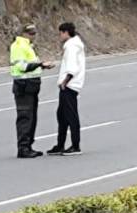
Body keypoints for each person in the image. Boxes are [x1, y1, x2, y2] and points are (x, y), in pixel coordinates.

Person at [10, 24, 54, 159]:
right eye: (31, 33)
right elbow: (22, 67)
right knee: (25, 117)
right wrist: (40, 64)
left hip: (31, 86)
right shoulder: (19, 46)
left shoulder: (28, 46)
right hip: (23, 86)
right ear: (24, 33)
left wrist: (42, 67)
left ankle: (28, 146)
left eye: (35, 33)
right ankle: (23, 148)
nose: (34, 36)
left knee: (32, 117)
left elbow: (31, 66)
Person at [50, 22, 86, 156]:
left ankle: (75, 146)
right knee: (62, 115)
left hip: (70, 85)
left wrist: (65, 82)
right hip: (71, 84)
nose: (59, 36)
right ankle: (60, 144)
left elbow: (72, 67)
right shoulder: (75, 44)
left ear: (65, 32)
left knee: (71, 116)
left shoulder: (71, 46)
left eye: (60, 33)